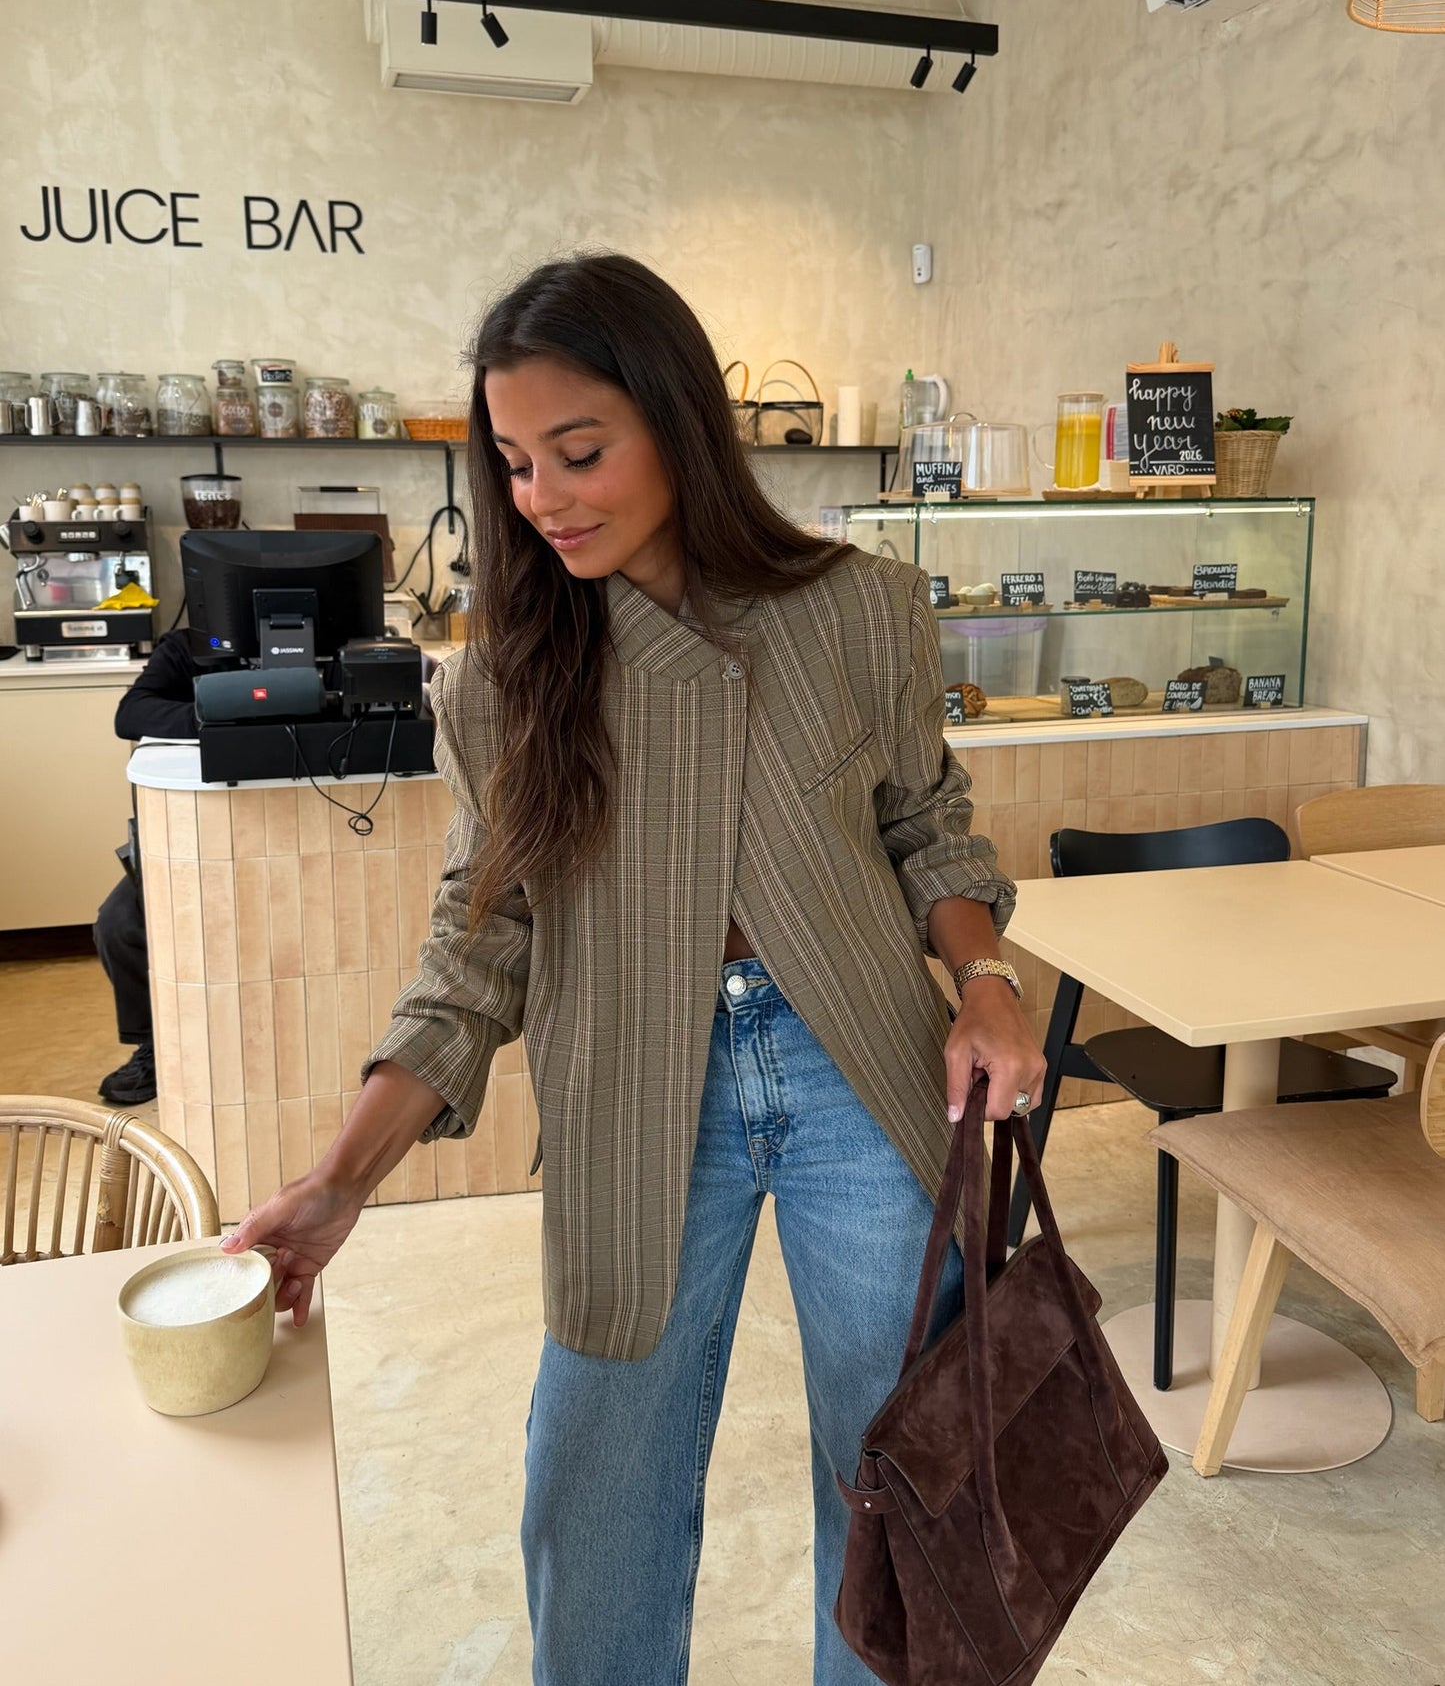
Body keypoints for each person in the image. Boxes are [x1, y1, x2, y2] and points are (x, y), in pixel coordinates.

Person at [225, 254, 1045, 1685]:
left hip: (860, 1060)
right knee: (594, 1480)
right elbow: (477, 944)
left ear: (676, 421)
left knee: (898, 1466)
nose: (543, 495)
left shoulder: (858, 610)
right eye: (514, 463)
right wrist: (342, 1177)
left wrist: (987, 983)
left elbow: (928, 826)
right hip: (635, 1084)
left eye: (579, 450)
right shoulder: (507, 683)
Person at [95, 626, 207, 1106]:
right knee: (118, 923)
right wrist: (221, 712)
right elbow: (131, 714)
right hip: (191, 833)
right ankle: (155, 1045)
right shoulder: (189, 647)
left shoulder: (338, 638)